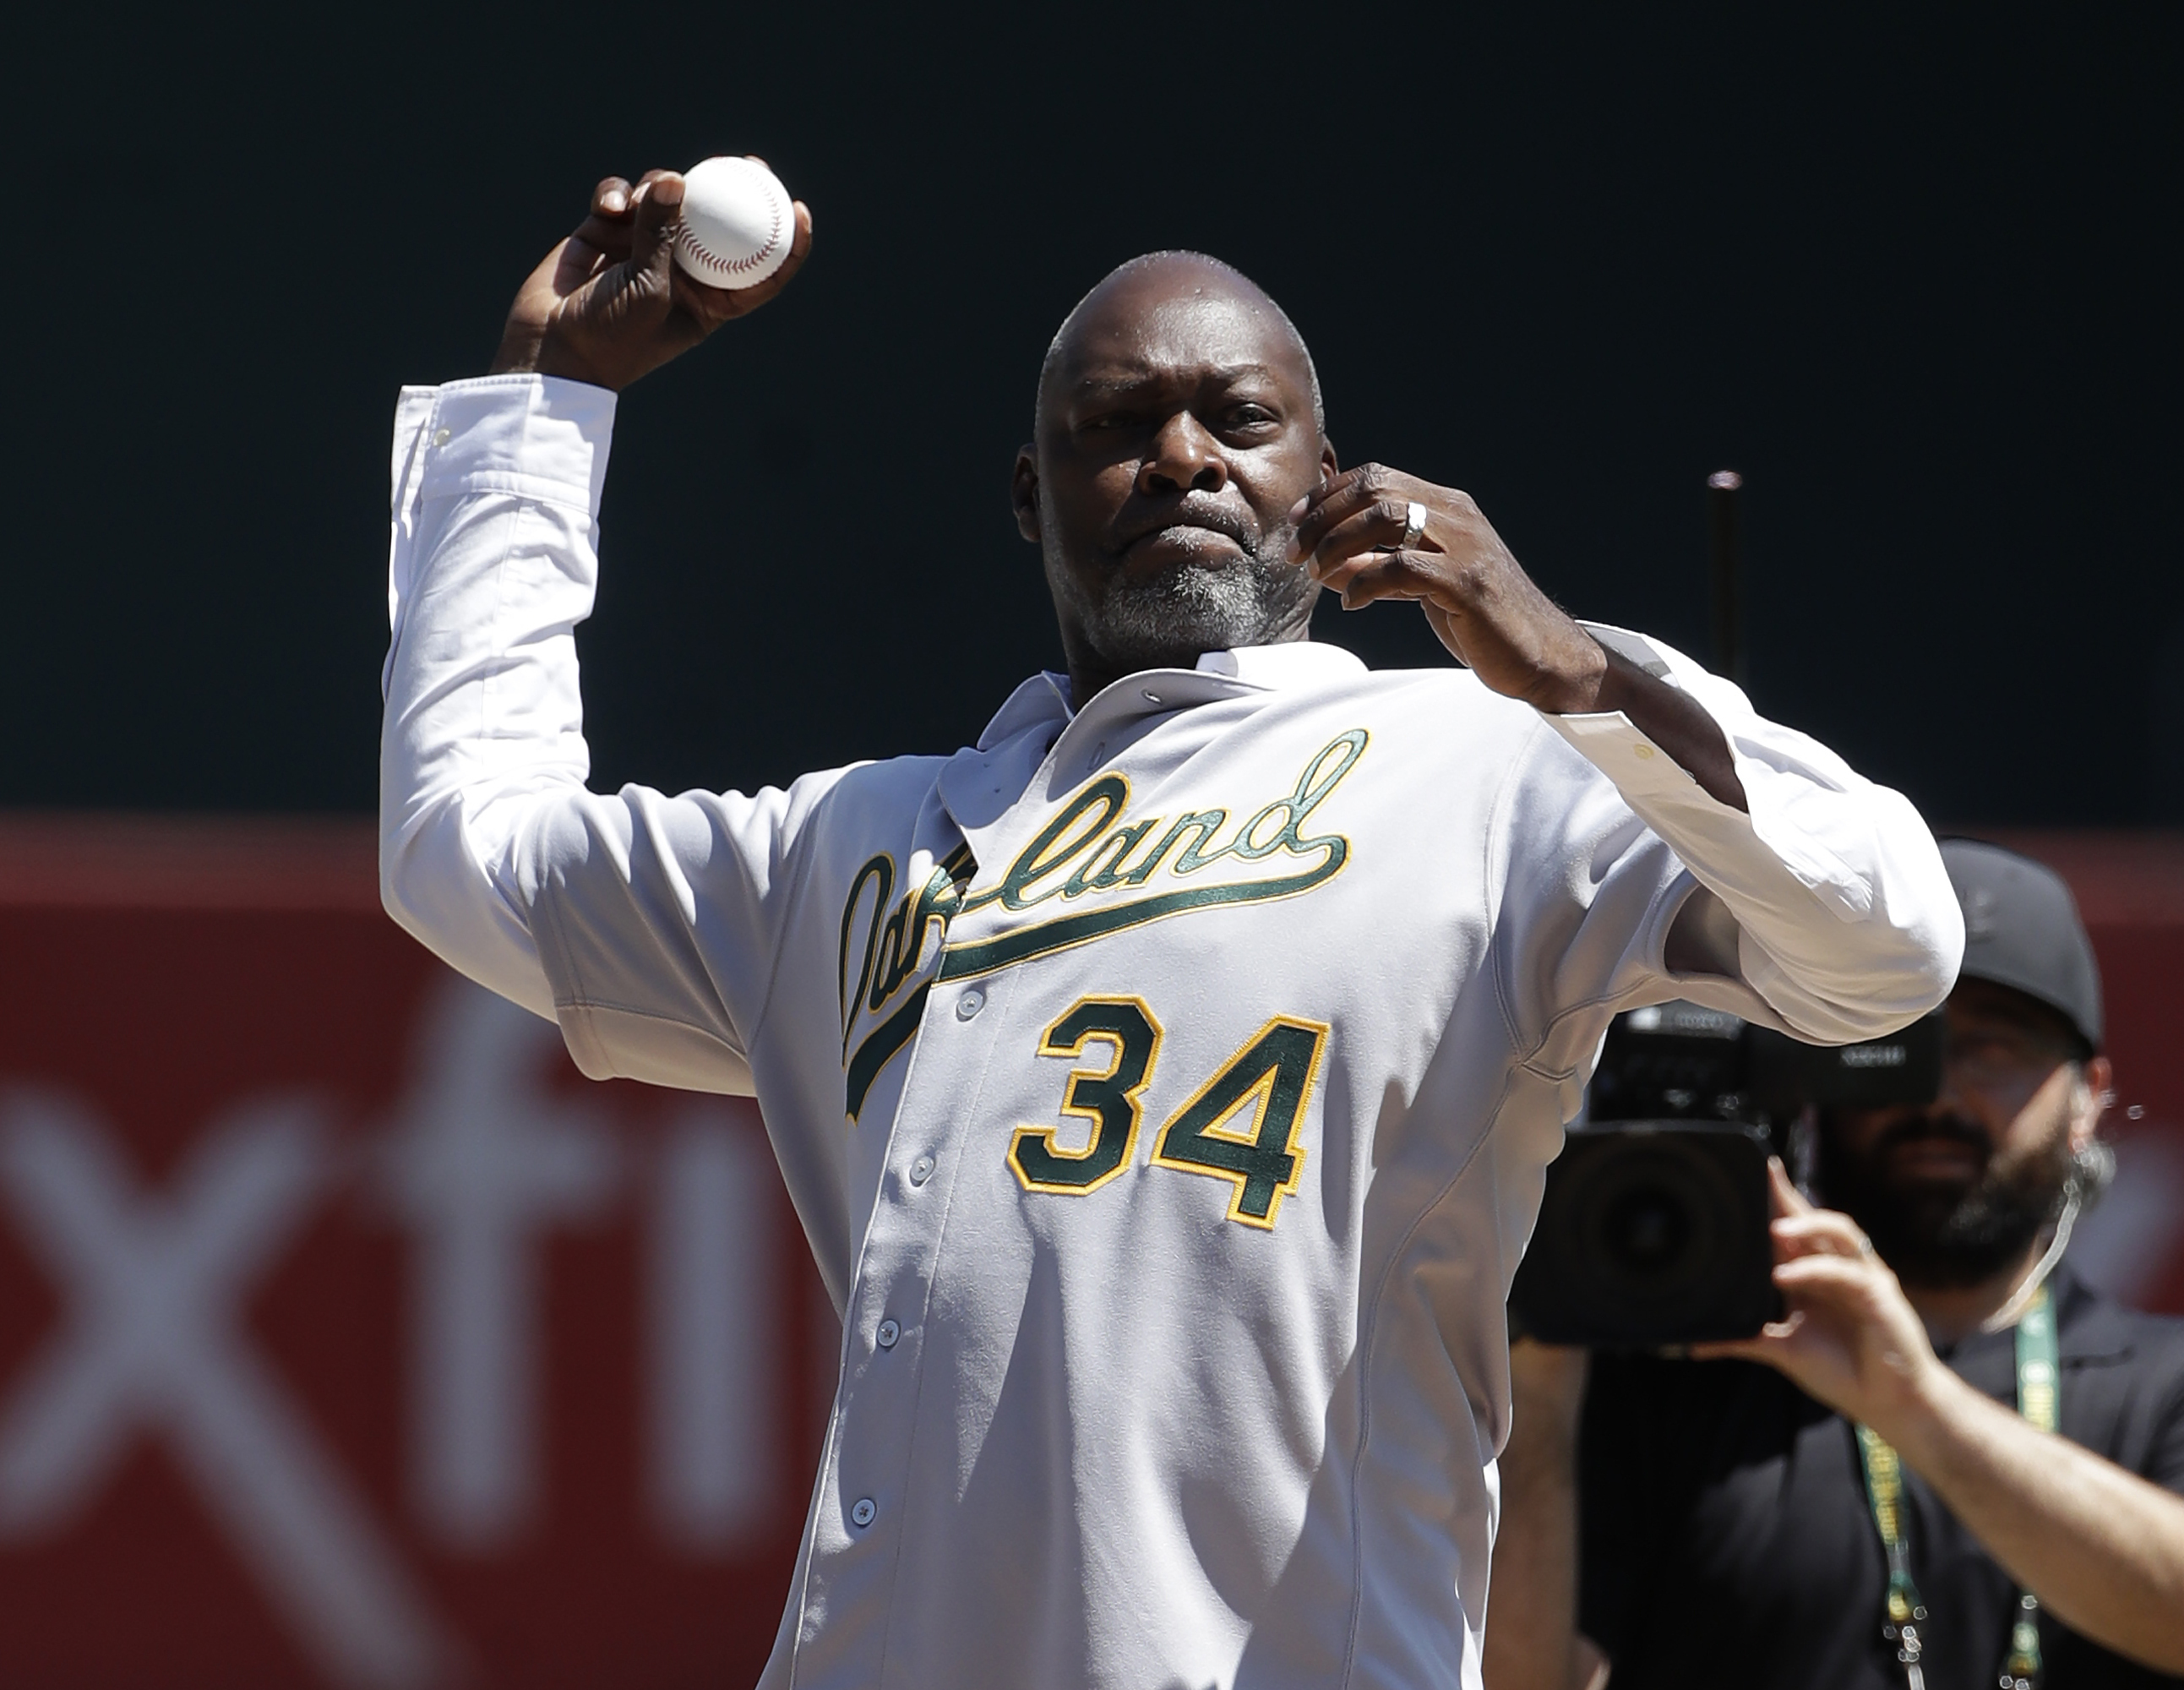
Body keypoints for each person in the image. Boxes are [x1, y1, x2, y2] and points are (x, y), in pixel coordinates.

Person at [379, 167, 1963, 1688]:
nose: (1187, 458)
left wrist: (1578, 678)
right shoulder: (858, 840)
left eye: (1242, 421)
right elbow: (468, 857)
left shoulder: (1483, 765)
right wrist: (542, 396)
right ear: (1030, 496)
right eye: (1118, 426)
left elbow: (1885, 947)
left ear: (1326, 477)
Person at [1485, 840, 2184, 1690]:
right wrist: (1544, 1378)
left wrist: (1909, 1398)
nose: (1938, 1094)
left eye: (1995, 1047)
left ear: (2088, 1096)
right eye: (1893, 1045)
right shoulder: (1685, 1367)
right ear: (1814, 1076)